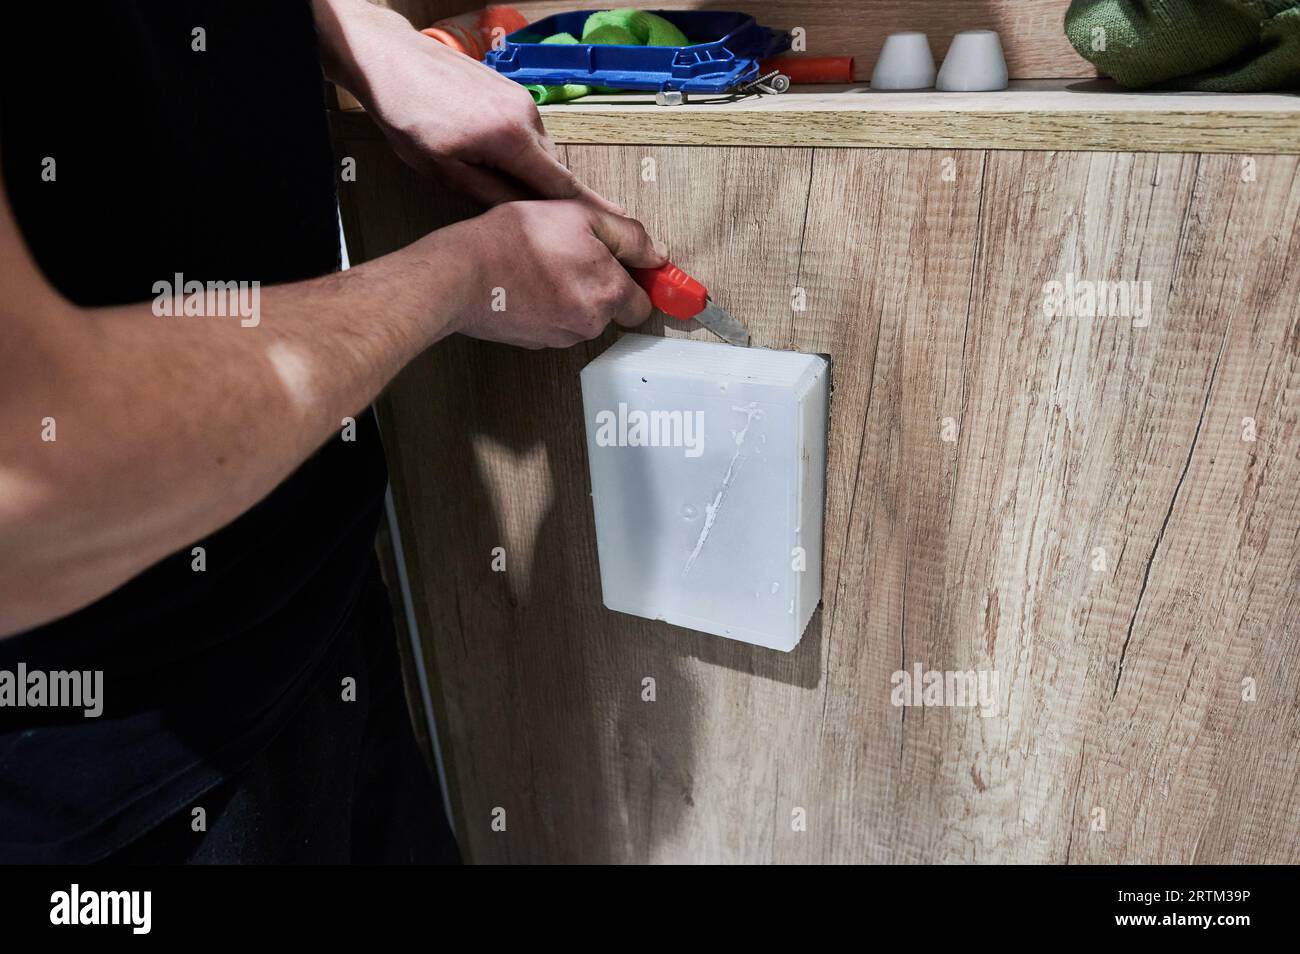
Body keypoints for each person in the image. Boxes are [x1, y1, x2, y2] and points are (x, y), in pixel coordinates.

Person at [0, 0, 664, 863]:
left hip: (325, 605)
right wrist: (464, 276)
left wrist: (347, 29)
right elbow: (29, 471)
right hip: (120, 778)